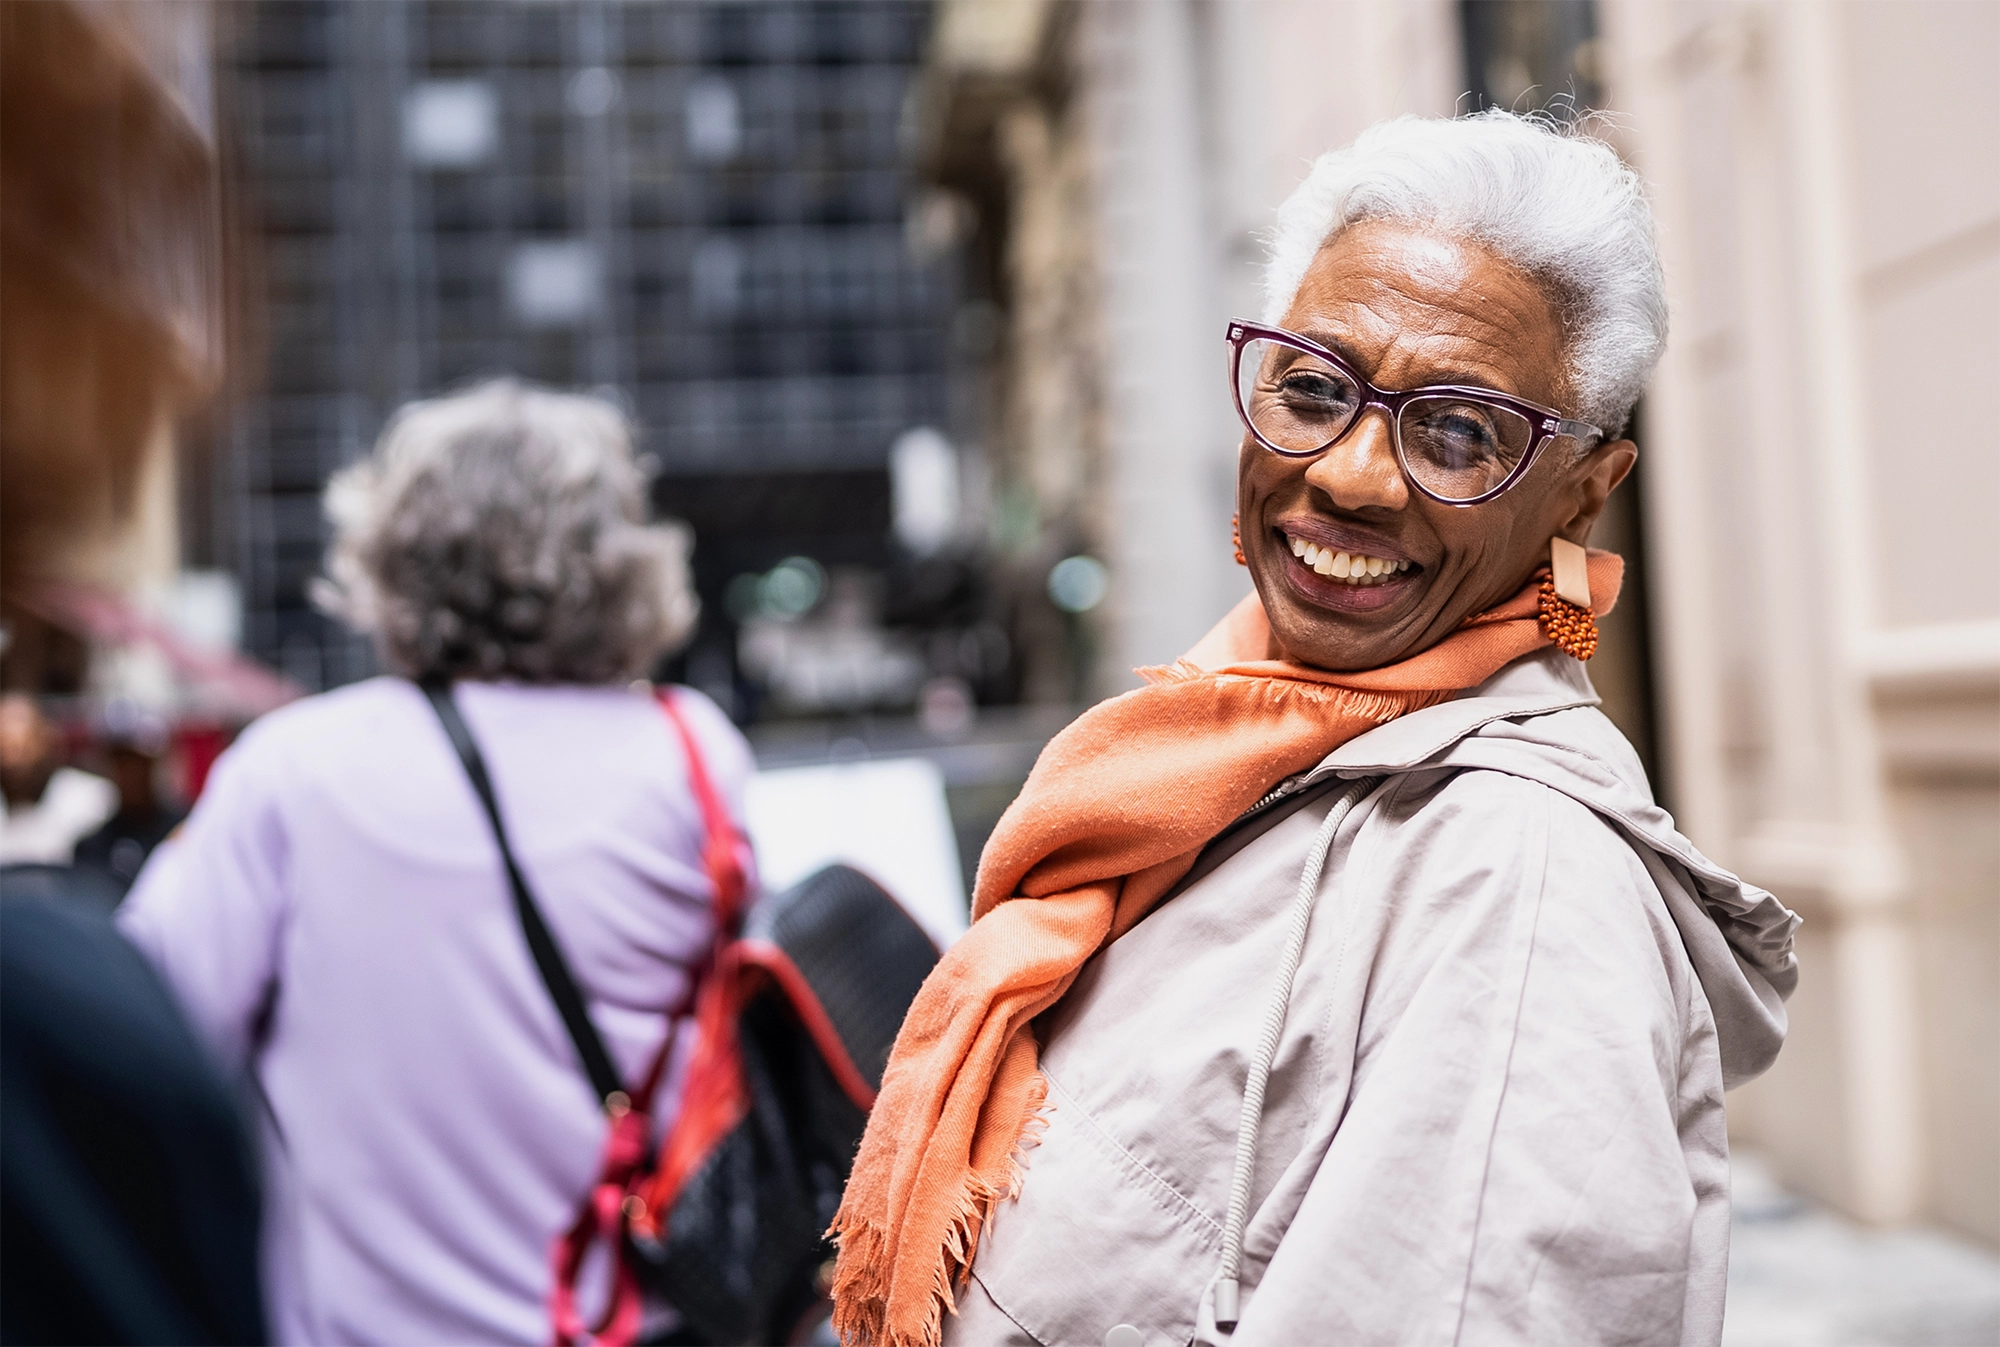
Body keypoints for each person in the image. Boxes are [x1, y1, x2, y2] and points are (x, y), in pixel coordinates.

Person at [827, 113, 1799, 1347]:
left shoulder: (1514, 881)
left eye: (1458, 431)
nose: (1350, 476)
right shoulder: (1220, 757)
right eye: (1312, 388)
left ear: (1581, 495)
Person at [121, 380, 750, 1347]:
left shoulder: (294, 773)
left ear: (391, 559)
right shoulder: (694, 753)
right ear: (619, 563)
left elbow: (138, 1044)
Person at [0, 691, 116, 865]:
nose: (13, 761)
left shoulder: (87, 796)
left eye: (23, 748)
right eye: (5, 749)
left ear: (46, 740)